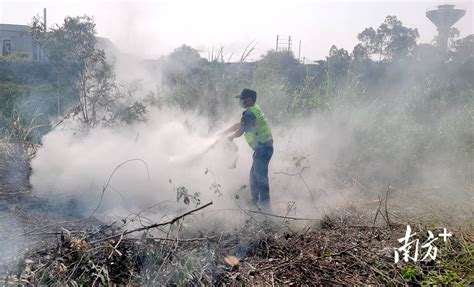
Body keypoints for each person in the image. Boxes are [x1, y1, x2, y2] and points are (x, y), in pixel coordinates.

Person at [223, 88, 274, 212]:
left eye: (242, 99)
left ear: (249, 100)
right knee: (253, 176)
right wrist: (224, 132)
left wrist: (230, 137)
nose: (240, 101)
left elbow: (241, 130)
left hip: (262, 149)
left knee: (260, 177)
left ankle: (266, 208)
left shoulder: (249, 114)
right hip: (263, 148)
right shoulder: (254, 110)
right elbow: (240, 125)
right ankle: (254, 202)